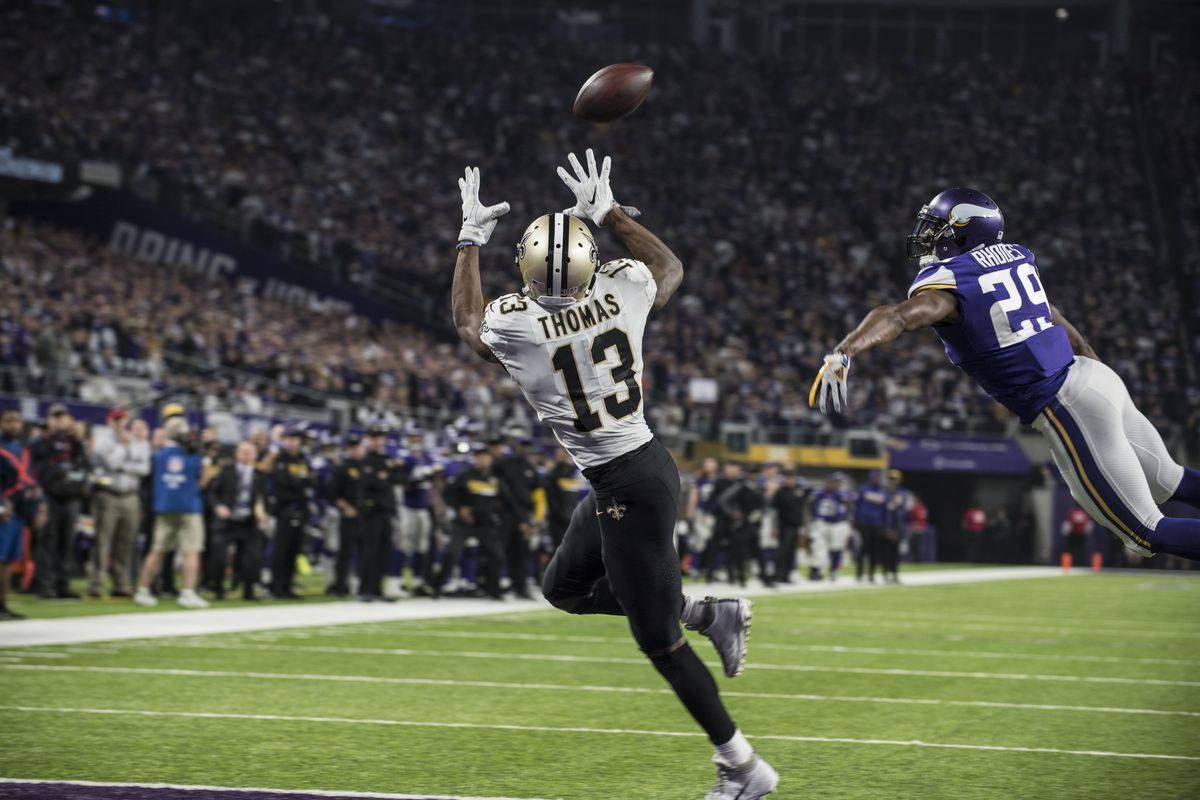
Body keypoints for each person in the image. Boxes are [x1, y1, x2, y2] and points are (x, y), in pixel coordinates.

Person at [450, 153, 777, 798]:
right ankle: (705, 612)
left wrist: (468, 240)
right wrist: (610, 213)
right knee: (562, 587)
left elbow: (467, 321)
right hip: (632, 475)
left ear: (528, 267)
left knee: (658, 644)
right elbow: (669, 267)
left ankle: (743, 766)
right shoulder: (621, 290)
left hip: (629, 485)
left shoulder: (518, 326)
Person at [810, 187, 1200, 562]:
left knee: (1145, 532)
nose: (926, 236)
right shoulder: (1015, 257)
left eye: (936, 228)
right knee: (1169, 480)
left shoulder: (949, 283)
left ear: (962, 232)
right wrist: (1096, 371)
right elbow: (1059, 321)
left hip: (1064, 400)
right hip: (1095, 377)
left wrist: (845, 351)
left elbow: (895, 316)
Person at [134, 415, 209, 608]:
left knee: (157, 550)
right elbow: (203, 481)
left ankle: (143, 590)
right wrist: (204, 458)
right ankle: (187, 592)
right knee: (191, 551)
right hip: (188, 507)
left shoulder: (159, 455)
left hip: (164, 507)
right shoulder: (192, 456)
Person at [88, 408, 150, 598]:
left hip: (130, 495)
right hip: (108, 495)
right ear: (110, 421)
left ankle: (120, 584)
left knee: (125, 542)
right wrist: (122, 447)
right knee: (103, 541)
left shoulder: (137, 441)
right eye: (117, 420)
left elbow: (145, 468)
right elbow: (111, 463)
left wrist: (125, 465)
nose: (120, 423)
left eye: (123, 420)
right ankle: (97, 584)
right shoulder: (102, 440)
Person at [30, 403, 88, 599]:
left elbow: (84, 464)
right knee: (47, 542)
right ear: (49, 419)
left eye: (63, 416)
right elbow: (35, 467)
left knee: (67, 542)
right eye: (55, 416)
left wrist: (77, 436)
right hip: (50, 497)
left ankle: (63, 585)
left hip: (71, 497)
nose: (59, 420)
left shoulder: (74, 442)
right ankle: (45, 586)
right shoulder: (42, 441)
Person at [434, 445, 504, 599]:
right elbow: (448, 493)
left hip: (484, 523)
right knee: (453, 553)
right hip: (464, 522)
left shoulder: (495, 479)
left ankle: (493, 590)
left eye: (485, 456)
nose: (483, 459)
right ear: (475, 459)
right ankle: (437, 587)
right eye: (479, 456)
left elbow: (499, 500)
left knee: (496, 554)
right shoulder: (465, 475)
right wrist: (460, 508)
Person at [211, 441, 269, 600]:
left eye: (250, 451)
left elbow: (263, 499)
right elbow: (212, 493)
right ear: (236, 454)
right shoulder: (226, 471)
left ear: (255, 455)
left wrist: (264, 514)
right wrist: (218, 507)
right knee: (219, 556)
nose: (246, 454)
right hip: (227, 521)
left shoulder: (259, 475)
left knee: (252, 557)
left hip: (249, 522)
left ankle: (248, 591)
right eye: (243, 451)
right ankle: (218, 589)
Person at [262, 429, 313, 599]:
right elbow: (284, 482)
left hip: (300, 508)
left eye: (294, 438)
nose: (291, 442)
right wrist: (300, 482)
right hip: (282, 509)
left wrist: (300, 482)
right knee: (280, 550)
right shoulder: (279, 457)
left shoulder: (303, 459)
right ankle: (276, 587)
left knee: (294, 549)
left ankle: (288, 585)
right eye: (288, 438)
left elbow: (311, 480)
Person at [491, 433, 540, 599]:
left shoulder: (530, 467)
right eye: (521, 445)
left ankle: (520, 586)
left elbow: (537, 492)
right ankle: (494, 586)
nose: (524, 449)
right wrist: (523, 519)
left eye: (527, 446)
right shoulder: (503, 464)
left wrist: (532, 519)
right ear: (514, 446)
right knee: (500, 550)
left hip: (523, 515)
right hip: (505, 513)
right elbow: (503, 491)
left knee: (522, 552)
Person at [0, 408, 38, 619]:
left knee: (7, 561)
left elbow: (28, 479)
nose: (13, 424)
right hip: (5, 510)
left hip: (20, 511)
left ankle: (3, 604)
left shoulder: (21, 449)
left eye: (16, 421)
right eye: (8, 420)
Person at [359, 426, 400, 601]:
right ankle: (365, 589)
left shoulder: (386, 460)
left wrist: (383, 478)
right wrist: (382, 479)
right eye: (374, 437)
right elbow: (372, 483)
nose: (378, 441)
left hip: (386, 512)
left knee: (384, 552)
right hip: (372, 512)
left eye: (380, 437)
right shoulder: (366, 461)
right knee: (370, 551)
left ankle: (377, 589)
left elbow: (396, 479)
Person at [396, 430, 435, 595]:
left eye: (418, 437)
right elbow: (400, 480)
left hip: (423, 507)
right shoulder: (405, 456)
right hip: (408, 507)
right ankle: (400, 581)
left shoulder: (426, 457)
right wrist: (414, 481)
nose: (416, 440)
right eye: (413, 438)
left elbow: (433, 475)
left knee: (422, 546)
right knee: (405, 545)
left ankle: (418, 581)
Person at [327, 435, 366, 597]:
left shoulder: (366, 466)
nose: (356, 450)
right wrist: (346, 507)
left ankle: (362, 584)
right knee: (345, 552)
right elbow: (333, 493)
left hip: (366, 516)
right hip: (349, 515)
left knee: (365, 552)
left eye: (357, 447)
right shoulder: (342, 468)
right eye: (352, 447)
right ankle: (340, 586)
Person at [808, 473, 853, 581]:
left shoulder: (843, 493)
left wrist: (848, 521)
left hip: (838, 523)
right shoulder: (819, 492)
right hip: (821, 522)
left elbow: (850, 507)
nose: (837, 484)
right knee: (818, 547)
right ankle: (815, 571)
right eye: (835, 481)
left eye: (839, 482)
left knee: (836, 548)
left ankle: (834, 570)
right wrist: (812, 519)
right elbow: (810, 504)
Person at [853, 471, 890, 583]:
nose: (877, 480)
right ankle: (859, 574)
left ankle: (871, 574)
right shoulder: (864, 489)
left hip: (877, 524)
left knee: (874, 551)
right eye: (875, 477)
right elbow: (857, 506)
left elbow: (885, 511)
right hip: (864, 523)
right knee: (863, 549)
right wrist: (856, 521)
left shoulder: (883, 492)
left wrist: (885, 525)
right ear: (871, 478)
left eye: (879, 478)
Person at [770, 470, 805, 584]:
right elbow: (774, 511)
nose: (790, 480)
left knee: (791, 552)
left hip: (796, 526)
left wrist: (803, 527)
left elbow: (802, 510)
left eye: (792, 478)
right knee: (782, 551)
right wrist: (774, 527)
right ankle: (777, 575)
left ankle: (786, 576)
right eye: (788, 478)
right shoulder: (780, 492)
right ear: (784, 479)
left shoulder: (799, 491)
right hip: (784, 526)